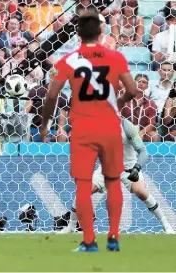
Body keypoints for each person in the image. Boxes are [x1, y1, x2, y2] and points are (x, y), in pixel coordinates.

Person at [40, 11, 137, 252]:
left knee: (83, 185)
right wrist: (118, 103)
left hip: (83, 129)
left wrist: (45, 124)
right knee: (113, 182)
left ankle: (90, 241)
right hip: (110, 127)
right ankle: (113, 237)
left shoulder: (69, 61)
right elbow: (133, 90)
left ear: (77, 33)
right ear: (101, 32)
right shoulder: (115, 57)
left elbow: (52, 95)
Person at [59, 118, 175, 234]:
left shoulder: (126, 126)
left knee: (140, 191)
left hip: (128, 167)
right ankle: (71, 227)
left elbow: (143, 152)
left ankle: (166, 225)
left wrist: (137, 167)